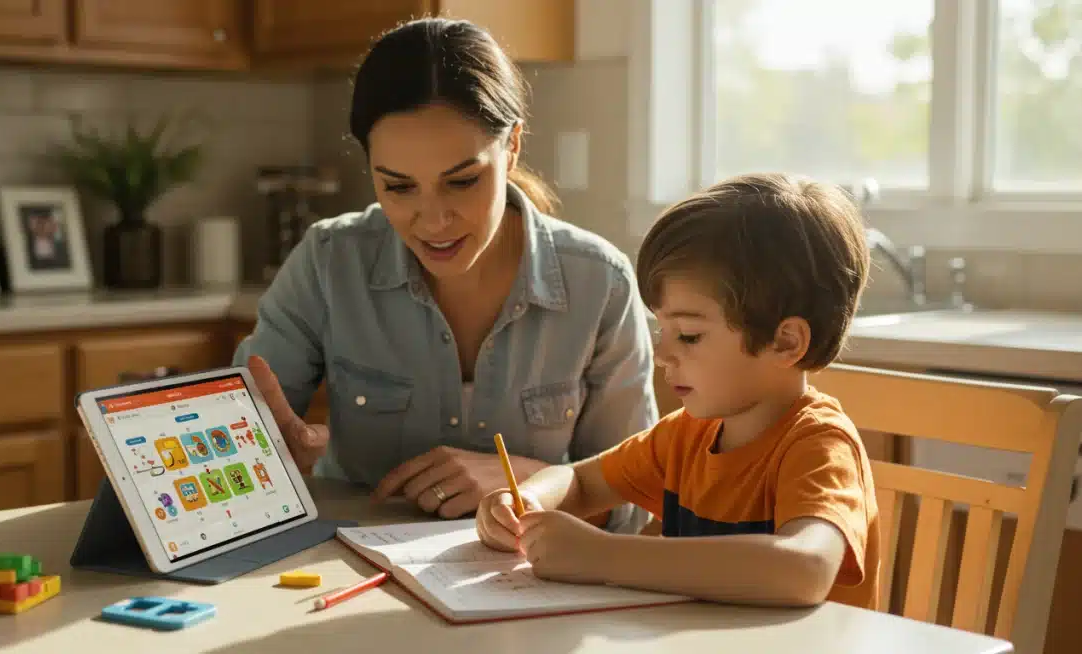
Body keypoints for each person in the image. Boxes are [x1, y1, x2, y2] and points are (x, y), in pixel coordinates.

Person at [233, 17, 657, 532]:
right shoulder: (327, 261)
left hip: (530, 589)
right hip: (350, 577)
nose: (433, 222)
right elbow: (237, 456)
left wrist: (531, 484)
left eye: (462, 182)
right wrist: (263, 461)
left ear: (514, 145)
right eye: (398, 188)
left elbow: (638, 505)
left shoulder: (600, 283)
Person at [476, 172, 881, 609]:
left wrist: (604, 555)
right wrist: (526, 501)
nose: (662, 354)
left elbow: (804, 569)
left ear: (785, 342)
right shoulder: (686, 436)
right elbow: (578, 480)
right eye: (661, 328)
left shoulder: (818, 445)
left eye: (688, 335)